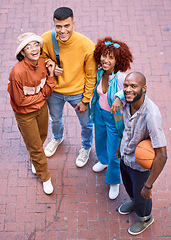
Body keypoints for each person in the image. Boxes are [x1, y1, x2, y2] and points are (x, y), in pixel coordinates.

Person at [41, 7, 97, 167]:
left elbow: (91, 75)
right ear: (54, 25)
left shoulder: (86, 45)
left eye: (67, 26)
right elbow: (40, 60)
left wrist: (86, 100)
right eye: (58, 26)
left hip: (77, 93)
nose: (62, 30)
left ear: (74, 24)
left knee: (86, 124)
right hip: (55, 92)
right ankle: (57, 138)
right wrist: (49, 65)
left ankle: (86, 147)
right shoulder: (46, 39)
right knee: (55, 119)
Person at [115, 72, 167, 235]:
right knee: (129, 186)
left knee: (142, 196)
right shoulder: (125, 102)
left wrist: (148, 185)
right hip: (125, 156)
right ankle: (133, 200)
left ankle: (145, 218)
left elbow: (162, 155)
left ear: (144, 89)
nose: (128, 89)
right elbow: (125, 129)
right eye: (126, 86)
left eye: (133, 86)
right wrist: (119, 147)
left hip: (140, 166)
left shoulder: (151, 115)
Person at [7, 32, 56, 195]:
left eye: (36, 45)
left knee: (41, 136)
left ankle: (35, 160)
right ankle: (45, 176)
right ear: (22, 52)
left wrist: (50, 74)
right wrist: (41, 95)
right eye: (28, 47)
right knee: (35, 146)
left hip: (41, 109)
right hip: (25, 114)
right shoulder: (17, 73)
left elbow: (49, 89)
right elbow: (20, 101)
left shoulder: (43, 63)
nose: (34, 49)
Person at [90, 37, 133, 199]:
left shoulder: (122, 77)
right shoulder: (100, 71)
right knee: (100, 139)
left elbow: (135, 89)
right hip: (100, 112)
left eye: (111, 57)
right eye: (104, 55)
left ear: (118, 60)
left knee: (114, 150)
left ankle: (114, 181)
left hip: (115, 118)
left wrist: (118, 96)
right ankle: (103, 161)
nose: (106, 60)